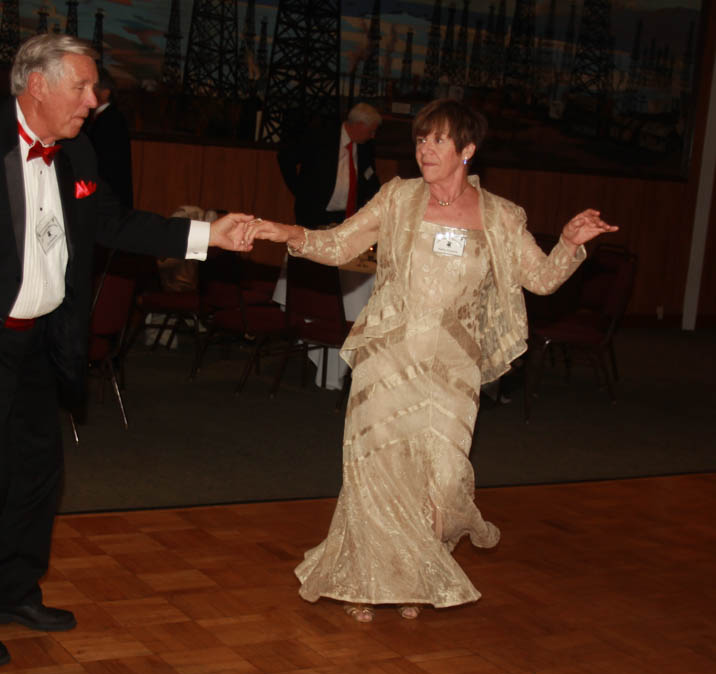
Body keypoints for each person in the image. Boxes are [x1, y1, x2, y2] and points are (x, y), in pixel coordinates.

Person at [0, 34, 252, 666]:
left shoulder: (77, 152)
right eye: (81, 86)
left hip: (36, 346)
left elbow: (114, 221)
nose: (93, 98)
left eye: (94, 86)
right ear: (36, 85)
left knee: (35, 480)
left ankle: (12, 591)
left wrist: (204, 234)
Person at [247, 99, 617, 623]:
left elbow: (542, 280)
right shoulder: (397, 199)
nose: (425, 149)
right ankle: (365, 577)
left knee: (440, 475)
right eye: (421, 139)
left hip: (452, 365)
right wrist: (286, 233)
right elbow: (340, 245)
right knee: (376, 470)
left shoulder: (502, 217)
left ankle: (416, 567)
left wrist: (570, 244)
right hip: (387, 355)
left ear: (467, 150)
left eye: (439, 140)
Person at [278, 102, 382, 229]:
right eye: (371, 131)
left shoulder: (365, 147)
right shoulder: (321, 136)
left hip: (348, 219)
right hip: (314, 215)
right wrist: (299, 191)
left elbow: (370, 179)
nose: (373, 136)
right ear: (359, 125)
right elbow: (285, 157)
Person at [86, 69, 134, 210]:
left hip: (109, 193)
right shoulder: (101, 118)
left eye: (93, 88)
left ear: (106, 92)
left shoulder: (111, 119)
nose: (89, 93)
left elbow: (107, 161)